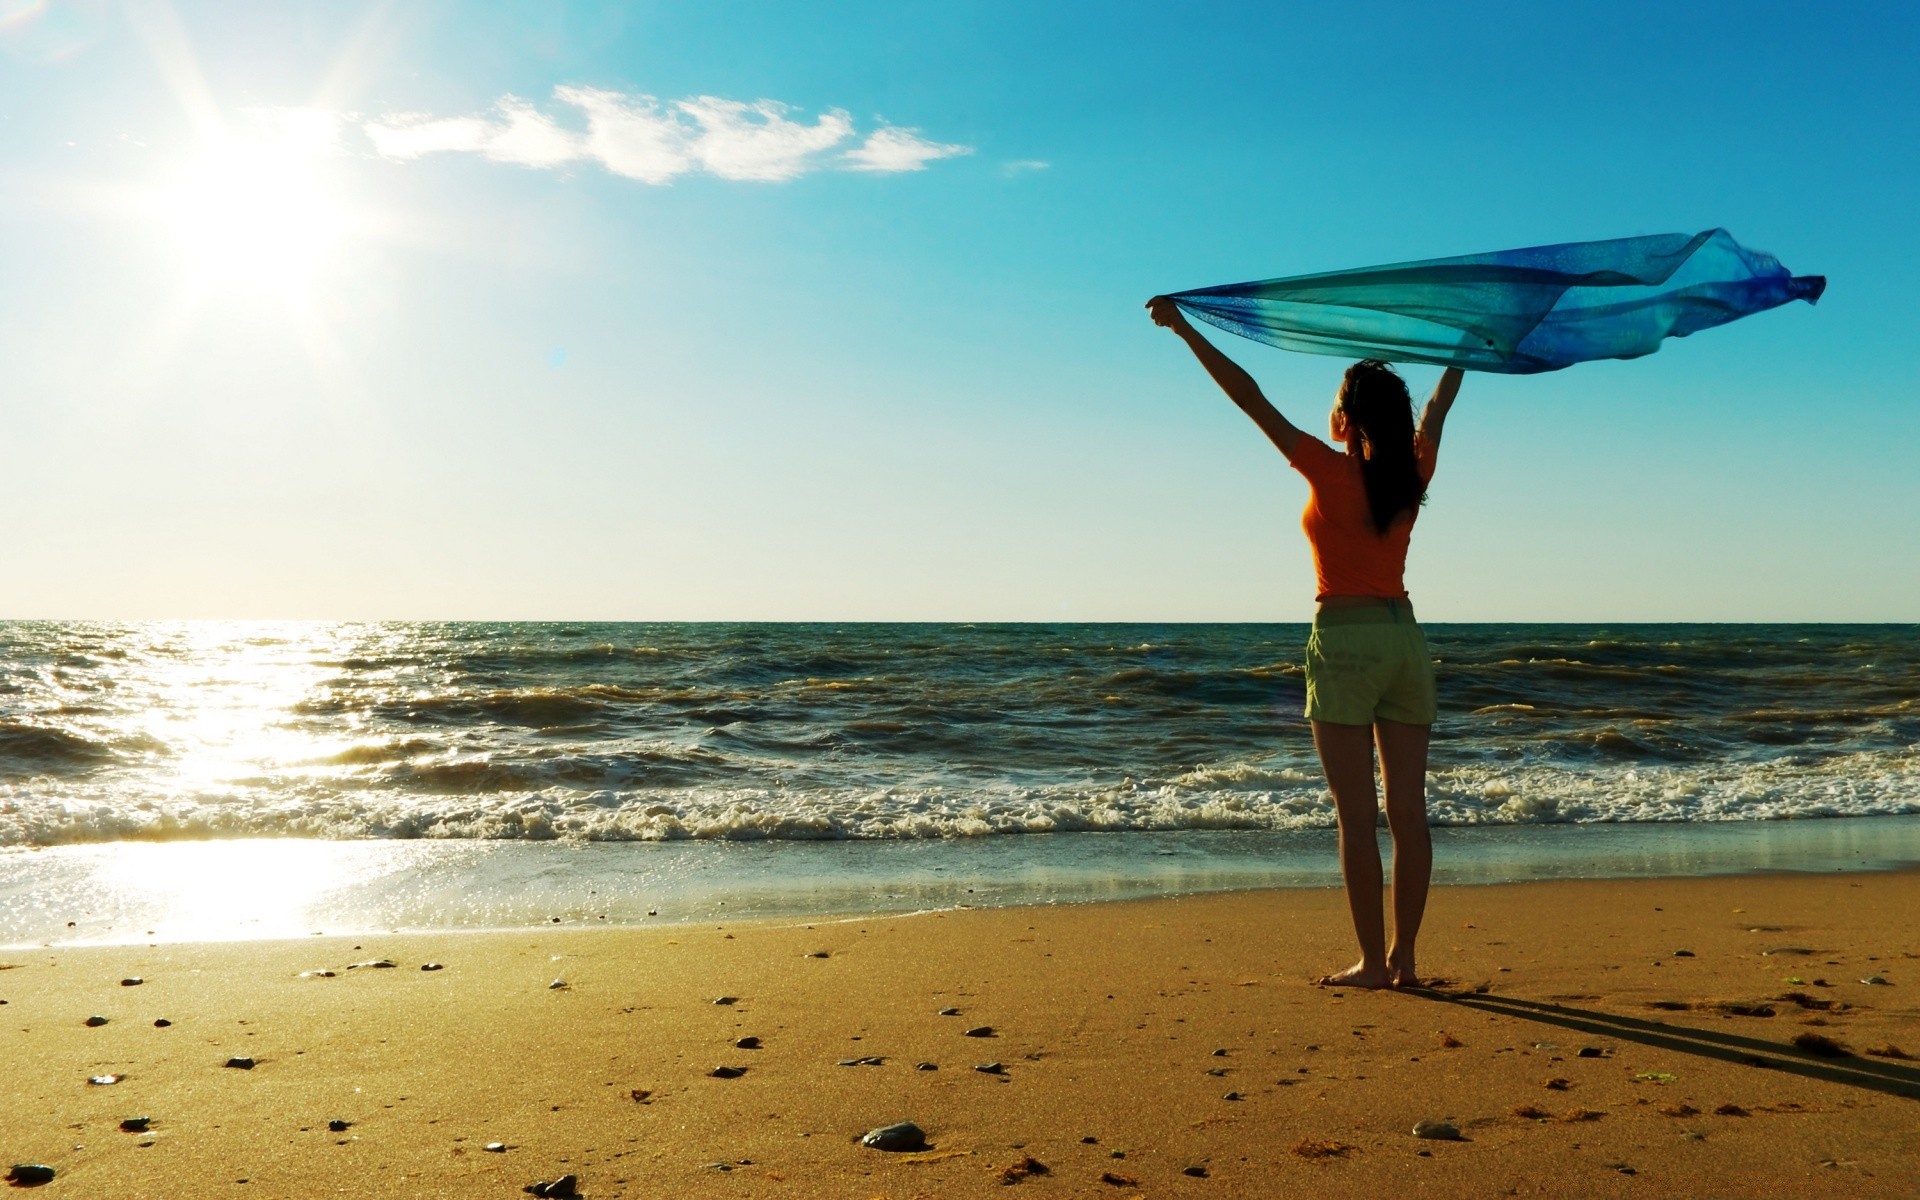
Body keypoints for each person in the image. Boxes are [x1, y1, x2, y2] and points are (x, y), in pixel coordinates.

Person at [1146, 295, 1463, 989]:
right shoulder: (1412, 473)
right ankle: (1408, 960)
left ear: (1346, 418)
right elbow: (1437, 408)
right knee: (1407, 812)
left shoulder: (1327, 467)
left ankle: (1373, 965)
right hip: (1404, 640)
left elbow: (1249, 398)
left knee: (1357, 818)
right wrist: (1469, 345)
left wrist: (1184, 329)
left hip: (1344, 639)